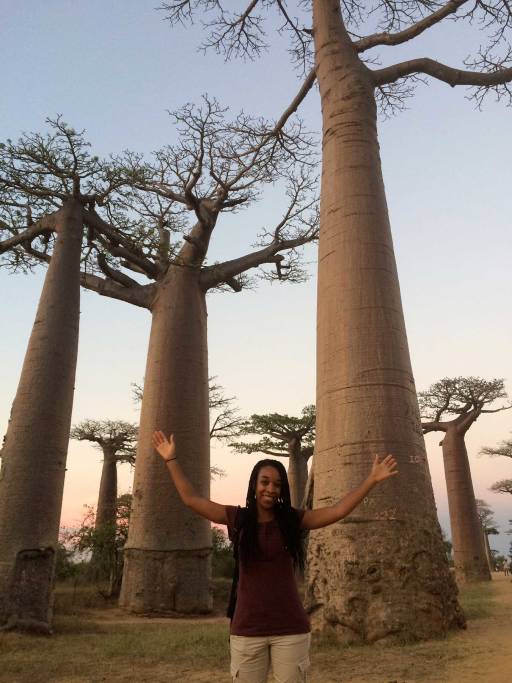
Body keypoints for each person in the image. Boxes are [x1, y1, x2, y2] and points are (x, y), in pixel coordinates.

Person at [152, 430, 398, 683]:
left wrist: (372, 480)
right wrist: (171, 459)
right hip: (247, 630)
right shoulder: (237, 519)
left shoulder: (293, 521)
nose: (271, 488)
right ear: (254, 485)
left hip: (291, 630)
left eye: (277, 484)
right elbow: (191, 499)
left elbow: (337, 510)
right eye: (265, 482)